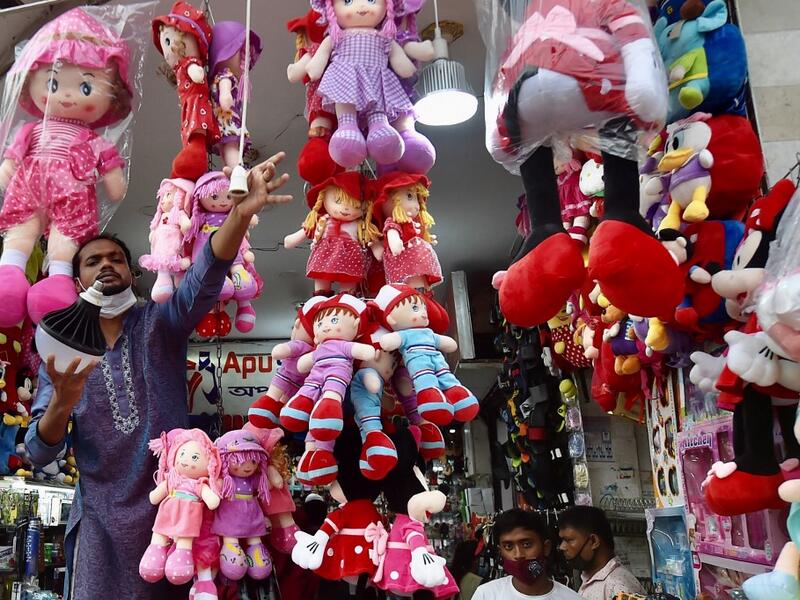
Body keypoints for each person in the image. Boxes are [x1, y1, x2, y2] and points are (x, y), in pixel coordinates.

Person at [24, 155, 292, 600]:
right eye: (93, 261)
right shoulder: (62, 350)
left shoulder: (159, 324)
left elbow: (202, 281)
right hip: (98, 526)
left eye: (116, 259)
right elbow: (37, 450)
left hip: (171, 518)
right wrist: (62, 402)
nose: (106, 265)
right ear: (77, 280)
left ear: (133, 273)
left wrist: (239, 216)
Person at [473, 509, 581, 600]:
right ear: (500, 552)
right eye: (509, 547)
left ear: (546, 547)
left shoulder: (572, 598)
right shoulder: (486, 595)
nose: (519, 555)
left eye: (527, 544)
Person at [557, 506, 645, 600]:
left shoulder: (619, 587)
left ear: (594, 541)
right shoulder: (591, 579)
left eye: (569, 540)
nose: (562, 547)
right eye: (562, 540)